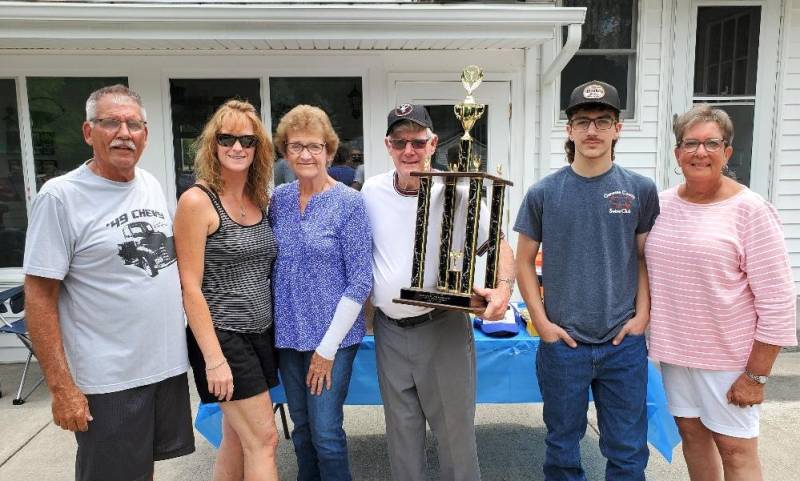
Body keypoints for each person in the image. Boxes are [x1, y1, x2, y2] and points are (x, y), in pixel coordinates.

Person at [23, 84, 194, 481]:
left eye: (134, 124)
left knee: (141, 471)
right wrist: (62, 388)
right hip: (109, 378)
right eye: (110, 122)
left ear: (145, 135)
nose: (124, 132)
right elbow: (39, 297)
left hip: (163, 367)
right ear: (88, 132)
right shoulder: (60, 197)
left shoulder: (149, 184)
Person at [514, 80, 659, 481]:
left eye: (602, 121)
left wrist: (642, 317)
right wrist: (541, 323)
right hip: (565, 344)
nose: (592, 130)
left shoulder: (640, 190)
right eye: (582, 121)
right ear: (570, 129)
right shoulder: (543, 192)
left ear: (618, 128)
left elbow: (646, 258)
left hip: (623, 342)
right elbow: (524, 261)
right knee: (562, 448)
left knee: (628, 450)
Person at [361, 103, 515, 481]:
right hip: (389, 332)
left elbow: (495, 243)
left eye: (417, 142)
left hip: (441, 327)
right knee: (401, 437)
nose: (408, 151)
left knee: (455, 439)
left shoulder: (457, 191)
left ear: (432, 144)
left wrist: (502, 290)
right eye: (400, 143)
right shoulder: (371, 190)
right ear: (388, 145)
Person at [645, 104, 797, 481]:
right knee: (693, 438)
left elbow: (778, 301)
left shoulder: (750, 210)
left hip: (729, 359)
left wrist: (757, 377)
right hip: (676, 355)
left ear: (727, 152)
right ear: (677, 152)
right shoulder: (660, 205)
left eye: (711, 143)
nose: (700, 152)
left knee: (735, 448)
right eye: (690, 143)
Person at [174, 99, 281, 481]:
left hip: (261, 335)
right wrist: (214, 359)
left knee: (237, 437)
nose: (237, 147)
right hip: (223, 337)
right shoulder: (197, 202)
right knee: (265, 440)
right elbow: (189, 286)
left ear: (258, 149)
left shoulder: (259, 199)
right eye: (227, 138)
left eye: (247, 140)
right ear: (212, 145)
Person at [270, 104, 373, 481]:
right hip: (288, 335)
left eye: (314, 146)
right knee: (301, 430)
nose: (306, 155)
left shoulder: (350, 203)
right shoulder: (278, 200)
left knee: (326, 432)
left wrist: (326, 350)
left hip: (332, 339)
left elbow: (361, 280)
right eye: (296, 146)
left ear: (329, 151)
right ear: (285, 152)